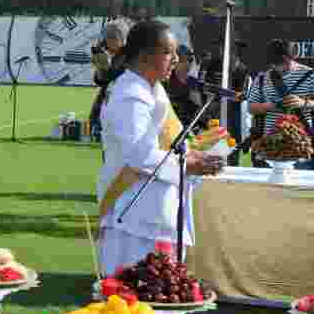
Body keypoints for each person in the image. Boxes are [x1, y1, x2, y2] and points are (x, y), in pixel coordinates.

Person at [96, 20, 224, 276]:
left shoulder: (151, 89)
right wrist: (189, 164)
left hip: (154, 209)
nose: (176, 59)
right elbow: (139, 155)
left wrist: (193, 154)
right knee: (134, 293)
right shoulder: (130, 95)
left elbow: (167, 140)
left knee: (161, 290)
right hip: (133, 212)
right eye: (168, 52)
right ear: (144, 56)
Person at [248, 39, 314, 169]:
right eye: (273, 63)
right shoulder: (262, 77)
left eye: (280, 63)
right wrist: (272, 106)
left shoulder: (310, 75)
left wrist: (303, 103)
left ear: (289, 58)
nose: (276, 67)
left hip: (301, 145)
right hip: (270, 145)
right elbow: (251, 107)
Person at [89, 21, 129, 142]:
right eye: (107, 38)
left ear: (122, 39)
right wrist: (99, 66)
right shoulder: (111, 54)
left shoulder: (129, 55)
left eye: (113, 38)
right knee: (94, 121)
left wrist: (105, 67)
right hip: (110, 95)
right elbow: (100, 80)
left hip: (125, 98)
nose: (108, 41)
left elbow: (117, 76)